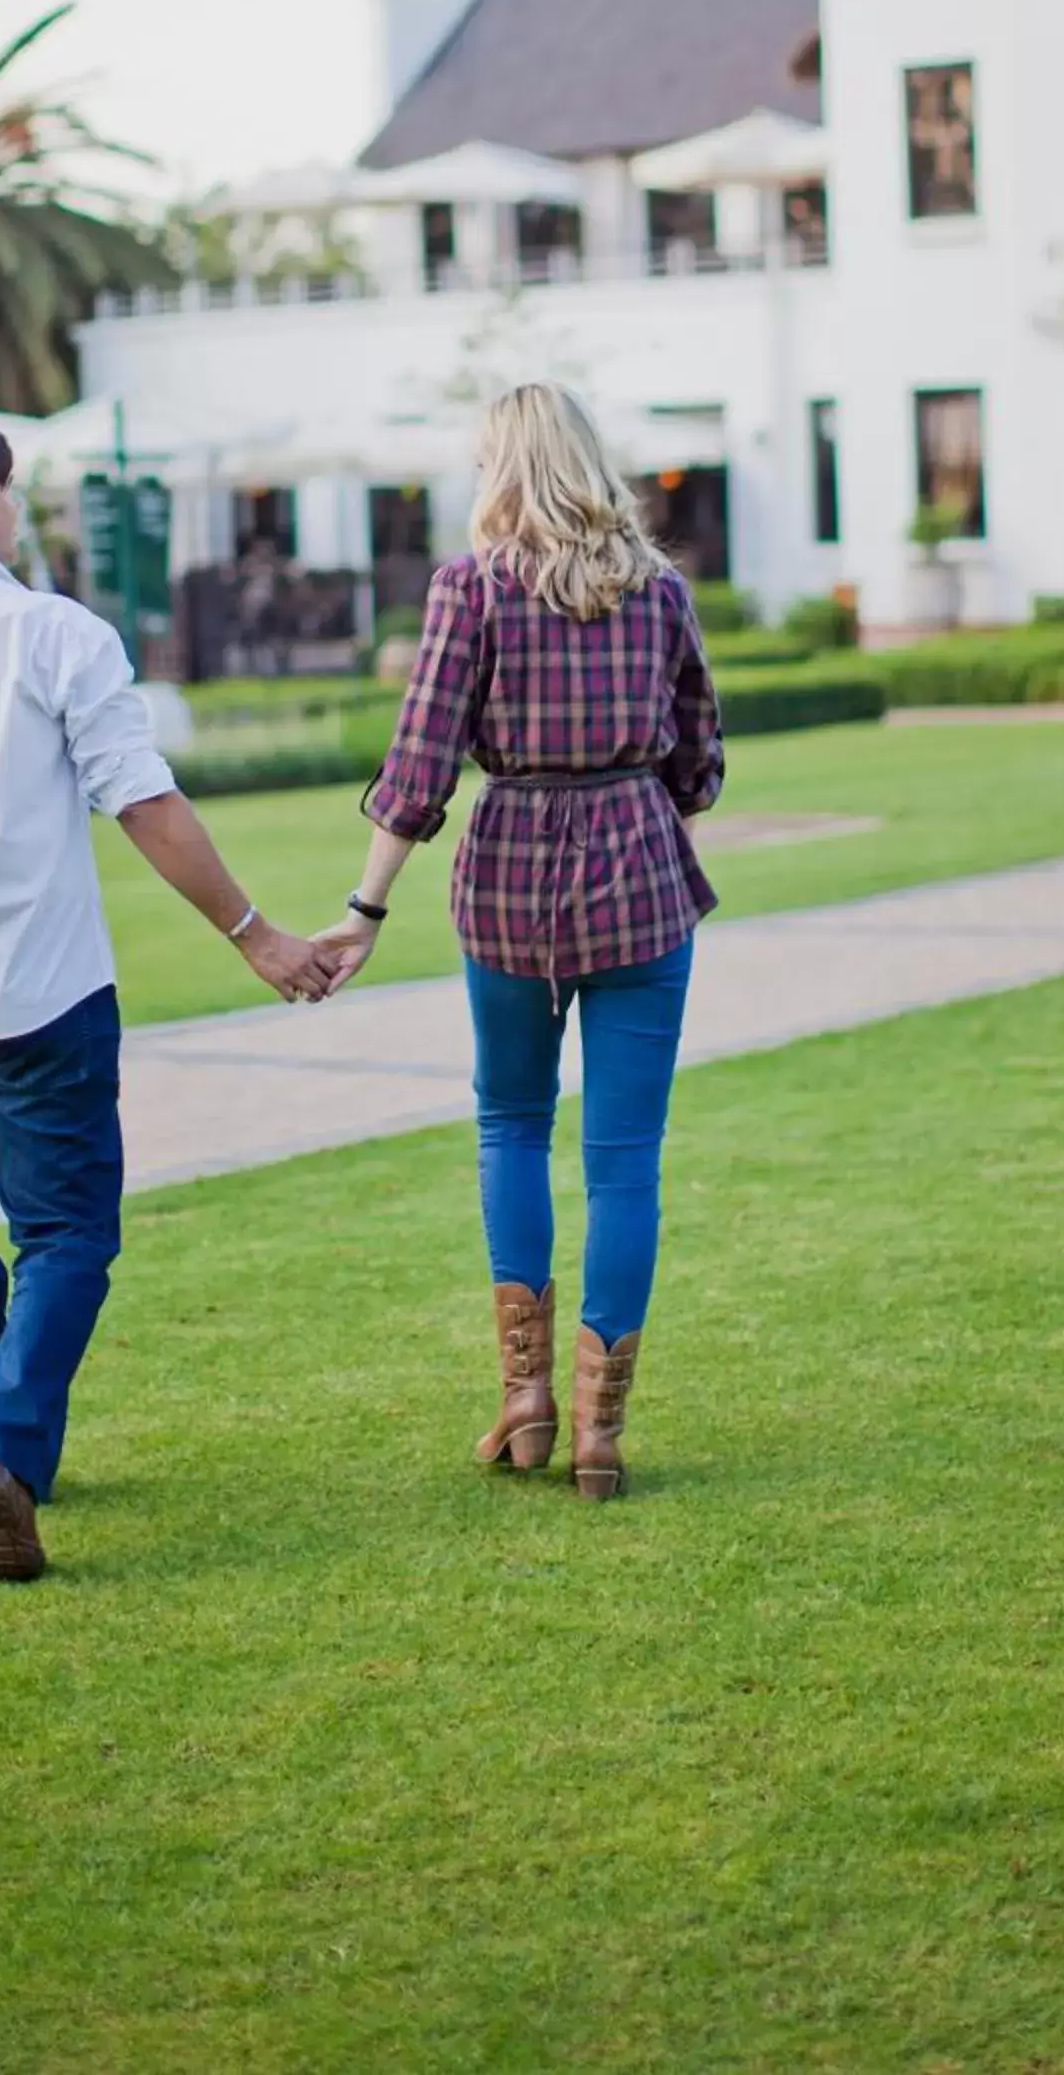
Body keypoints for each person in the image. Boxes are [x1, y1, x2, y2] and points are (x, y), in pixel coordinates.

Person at [0, 408, 339, 1583]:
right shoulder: (56, 636)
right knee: (68, 1233)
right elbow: (141, 801)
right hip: (43, 992)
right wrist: (254, 936)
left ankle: (1, 1447)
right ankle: (6, 1447)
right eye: (14, 493)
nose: (22, 512)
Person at [321, 384, 724, 1499]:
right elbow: (699, 755)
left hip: (506, 878)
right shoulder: (658, 591)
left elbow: (420, 765)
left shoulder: (471, 591)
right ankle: (602, 1428)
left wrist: (363, 909)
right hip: (641, 873)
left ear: (498, 468)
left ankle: (527, 1402)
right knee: (625, 1157)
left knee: (510, 1125)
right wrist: (647, 826)